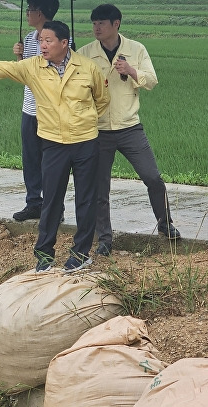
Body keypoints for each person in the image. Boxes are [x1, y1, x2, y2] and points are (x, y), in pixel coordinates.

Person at [0, 21, 110, 272]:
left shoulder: (88, 68)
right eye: (41, 40)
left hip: (85, 142)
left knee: (86, 200)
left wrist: (82, 122)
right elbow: (2, 67)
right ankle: (44, 254)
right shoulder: (33, 67)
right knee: (51, 200)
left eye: (48, 40)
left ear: (65, 43)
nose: (42, 45)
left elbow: (102, 101)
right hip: (53, 143)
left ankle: (81, 253)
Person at [78, 4, 181, 257]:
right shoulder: (84, 53)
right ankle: (104, 239)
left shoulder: (136, 49)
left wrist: (131, 71)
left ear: (117, 24)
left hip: (129, 128)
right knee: (100, 188)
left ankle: (165, 223)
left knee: (153, 177)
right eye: (93, 23)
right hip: (99, 130)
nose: (97, 28)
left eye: (101, 23)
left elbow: (152, 80)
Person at [11, 0, 60, 222]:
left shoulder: (58, 38)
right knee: (31, 159)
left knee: (51, 161)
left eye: (30, 10)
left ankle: (54, 208)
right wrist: (20, 57)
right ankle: (34, 203)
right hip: (29, 108)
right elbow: (25, 73)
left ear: (39, 13)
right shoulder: (30, 39)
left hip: (50, 110)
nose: (28, 13)